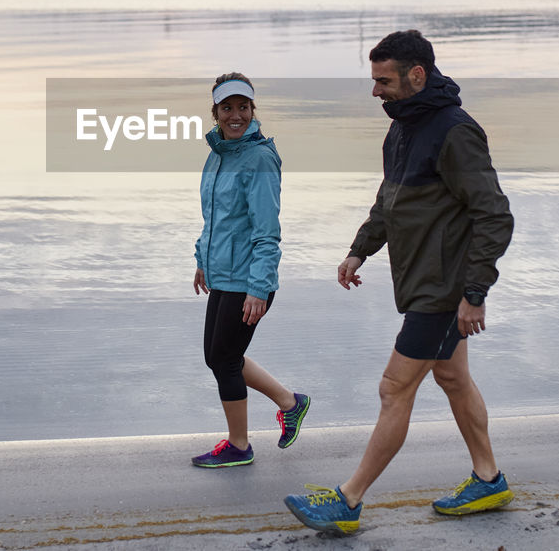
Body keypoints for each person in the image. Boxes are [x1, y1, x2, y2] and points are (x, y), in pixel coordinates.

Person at [284, 30, 514, 534]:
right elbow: (392, 199)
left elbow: (495, 215)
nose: (375, 92)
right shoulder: (404, 130)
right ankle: (488, 478)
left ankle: (348, 500)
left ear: (417, 74)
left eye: (383, 81)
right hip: (425, 281)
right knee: (452, 377)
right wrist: (359, 249)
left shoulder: (456, 131)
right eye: (373, 80)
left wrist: (474, 293)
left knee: (394, 388)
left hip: (443, 289)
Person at [191, 72, 310, 468]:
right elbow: (215, 219)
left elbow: (266, 232)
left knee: (225, 359)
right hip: (223, 273)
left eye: (243, 106)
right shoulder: (218, 154)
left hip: (249, 280)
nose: (236, 115)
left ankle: (239, 445)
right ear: (216, 113)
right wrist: (201, 261)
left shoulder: (259, 159)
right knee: (218, 356)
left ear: (252, 109)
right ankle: (290, 403)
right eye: (228, 107)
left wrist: (258, 288)